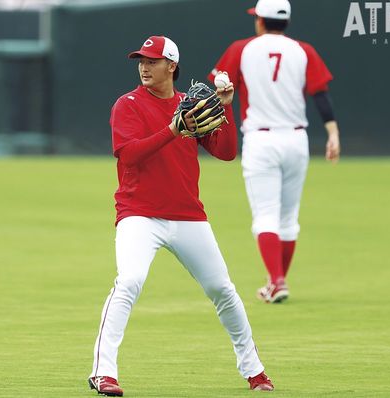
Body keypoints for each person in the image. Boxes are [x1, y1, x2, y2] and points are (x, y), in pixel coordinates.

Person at [87, 35, 274, 397]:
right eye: (141, 60)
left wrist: (225, 107)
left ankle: (255, 372)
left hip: (188, 215)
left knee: (223, 290)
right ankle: (103, 372)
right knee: (129, 282)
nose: (144, 66)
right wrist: (174, 129)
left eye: (153, 60)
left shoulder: (191, 105)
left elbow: (226, 153)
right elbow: (129, 155)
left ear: (171, 66)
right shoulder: (127, 105)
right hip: (139, 214)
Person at [208, 0, 341, 304]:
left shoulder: (242, 48)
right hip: (297, 139)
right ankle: (276, 281)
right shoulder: (303, 50)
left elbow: (219, 84)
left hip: (261, 139)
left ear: (260, 21)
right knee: (288, 218)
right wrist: (333, 134)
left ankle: (277, 281)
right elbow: (321, 94)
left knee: (265, 216)